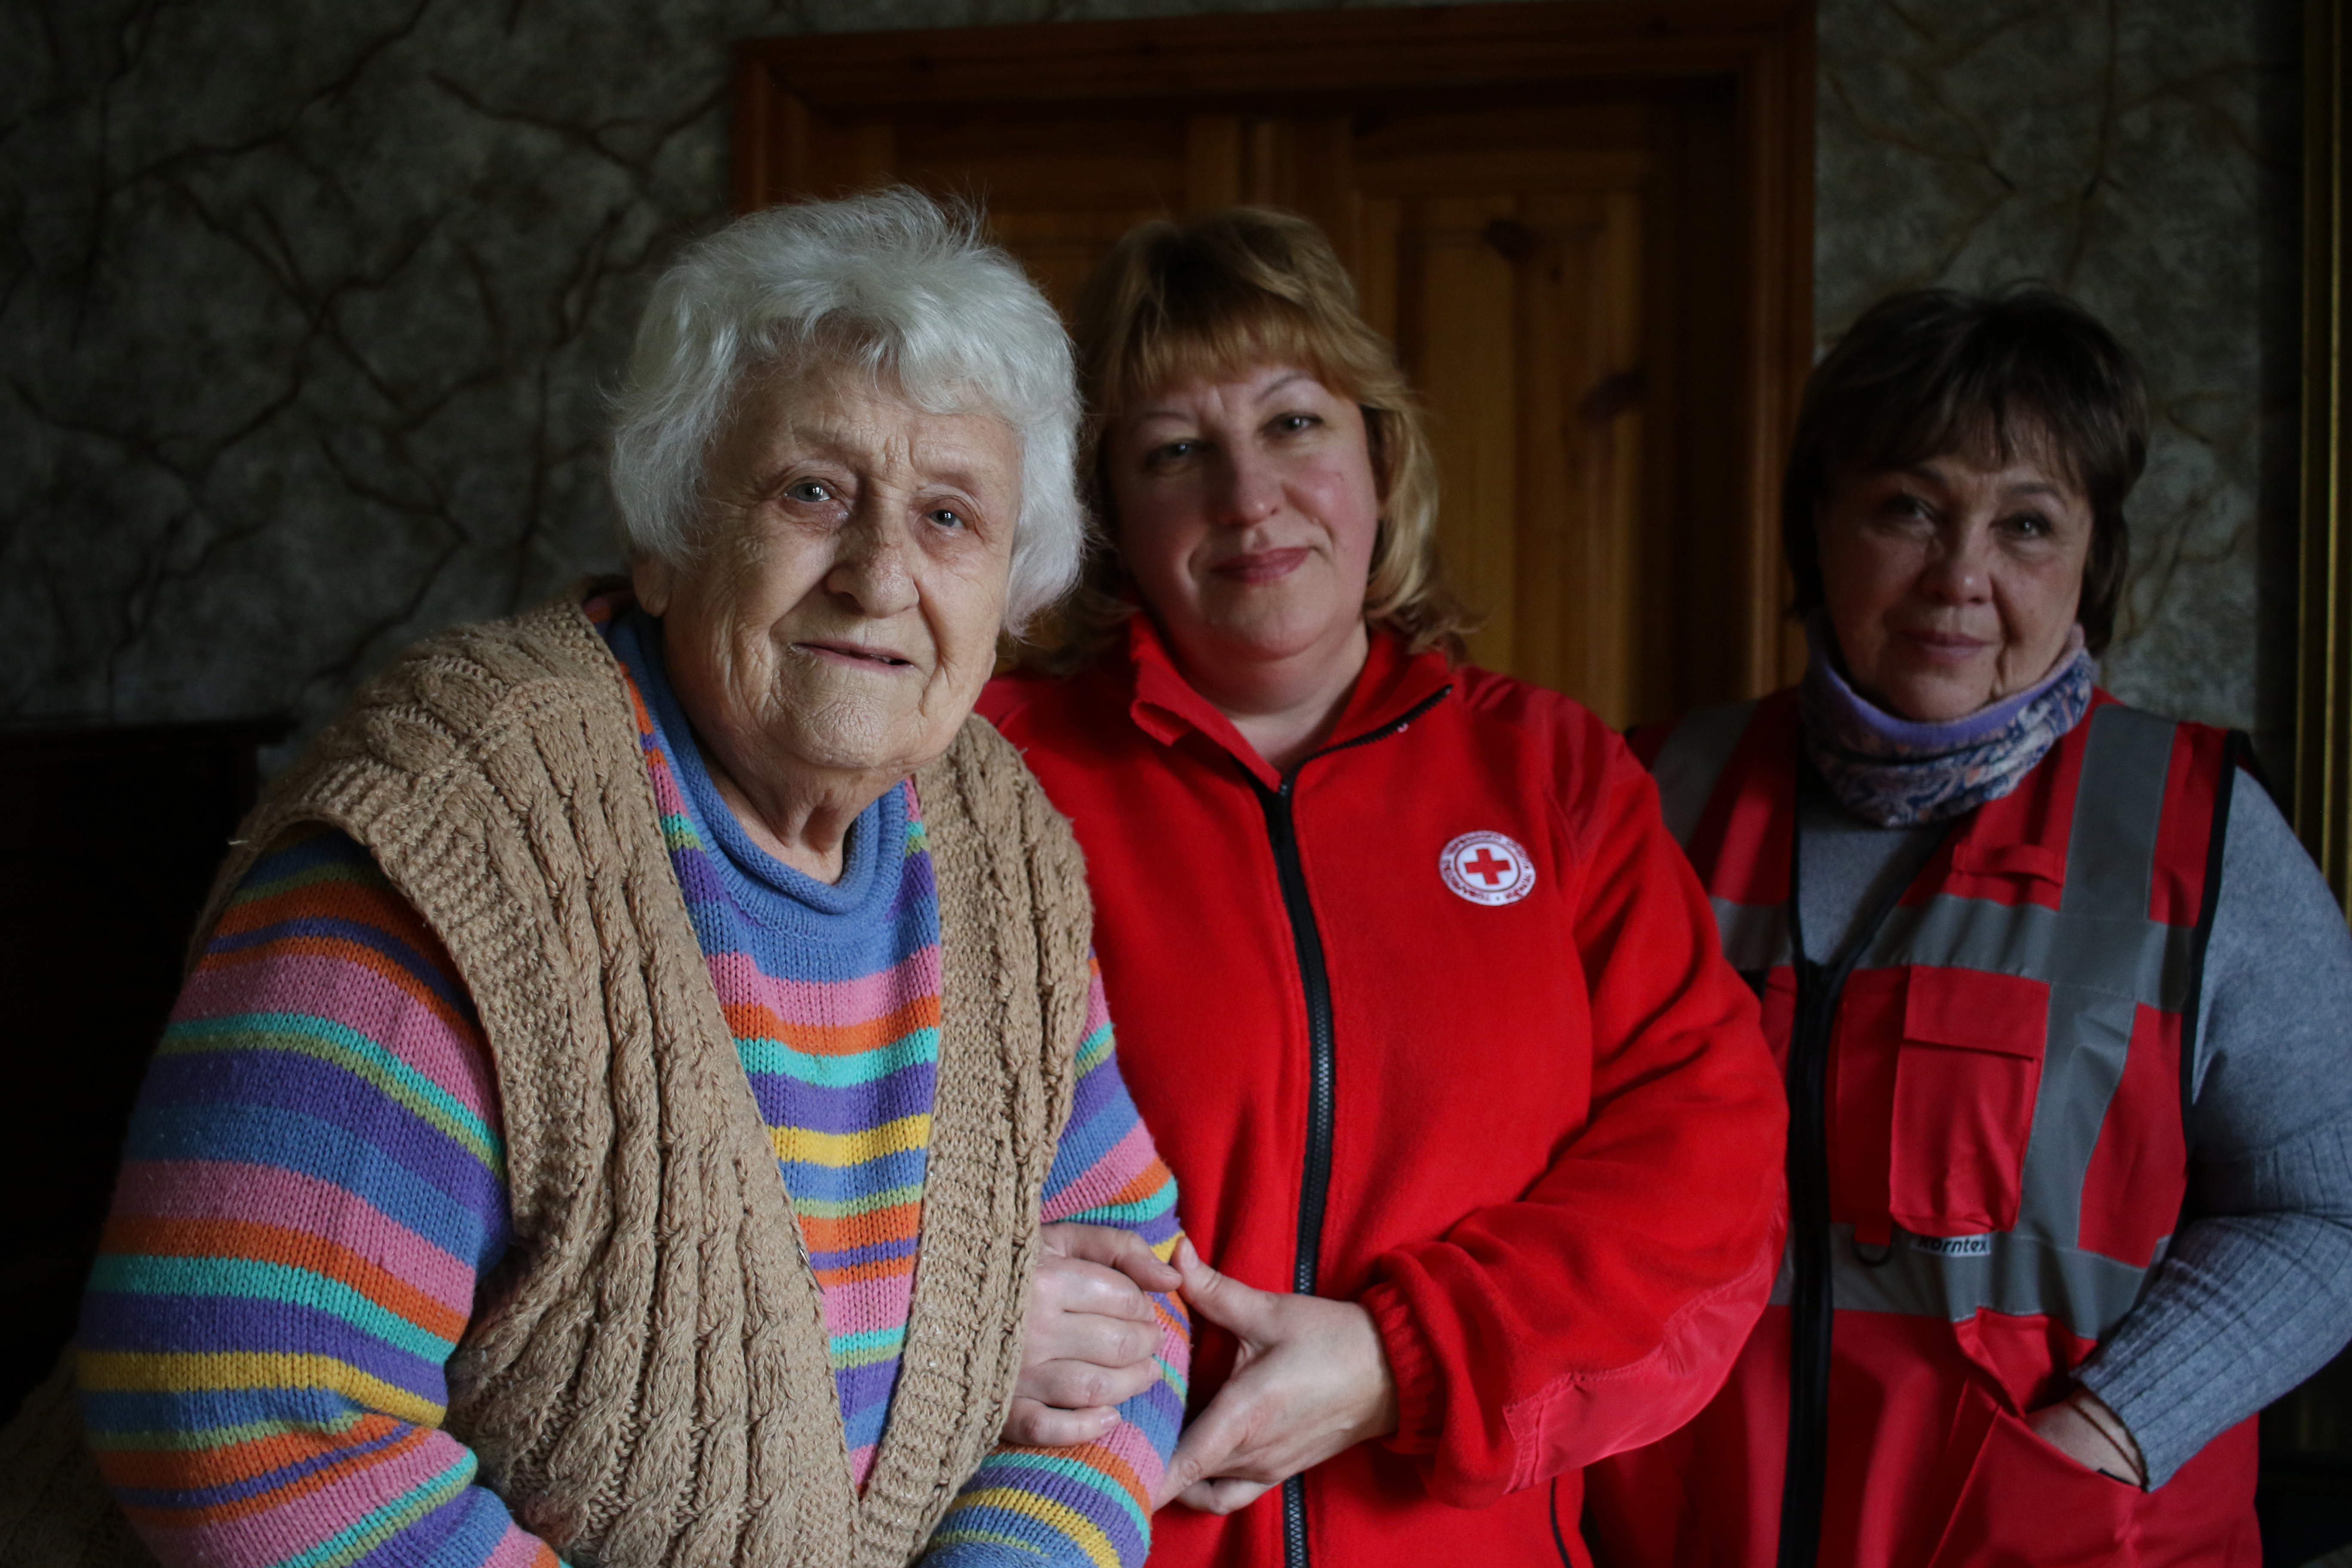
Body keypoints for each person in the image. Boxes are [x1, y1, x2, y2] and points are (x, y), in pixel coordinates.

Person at [0, 190, 1189, 1568]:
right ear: (670, 536)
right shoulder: (470, 820)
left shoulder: (996, 836)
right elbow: (246, 1409)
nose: (878, 575)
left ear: (1013, 590)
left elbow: (1130, 1308)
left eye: (948, 517)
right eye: (813, 492)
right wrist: (981, 1324)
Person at [975, 207, 1787, 1567]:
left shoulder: (1552, 775)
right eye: (1177, 450)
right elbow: (811, 1113)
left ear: (1379, 451)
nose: (1249, 498)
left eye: (1294, 423)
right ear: (1109, 512)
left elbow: (1707, 1160)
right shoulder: (987, 771)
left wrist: (1399, 1360)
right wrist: (969, 1322)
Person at [1581, 287, 2352, 1566]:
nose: (1962, 575)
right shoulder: (1640, 801)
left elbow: (2328, 1211)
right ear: (1818, 523)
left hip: (2056, 1537)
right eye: (1908, 508)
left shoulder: (2203, 835)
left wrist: (2111, 1428)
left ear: (2094, 561)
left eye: (2028, 524)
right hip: (1674, 1531)